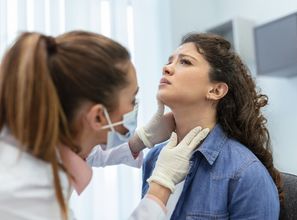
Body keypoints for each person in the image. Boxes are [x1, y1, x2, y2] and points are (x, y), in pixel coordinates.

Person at [0, 31, 210, 220]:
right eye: (132, 100)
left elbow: (83, 152)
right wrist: (160, 186)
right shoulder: (24, 193)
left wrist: (140, 140)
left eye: (185, 62)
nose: (167, 68)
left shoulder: (34, 140)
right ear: (99, 117)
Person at [142, 33, 282, 219]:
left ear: (216, 90)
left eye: (185, 62)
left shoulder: (245, 173)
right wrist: (139, 140)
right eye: (170, 61)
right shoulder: (153, 158)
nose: (166, 68)